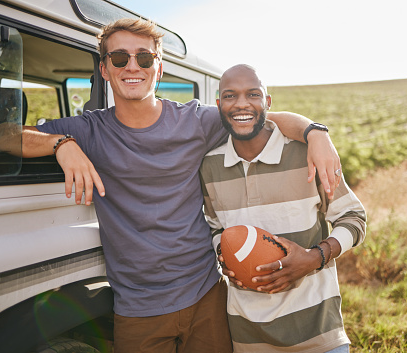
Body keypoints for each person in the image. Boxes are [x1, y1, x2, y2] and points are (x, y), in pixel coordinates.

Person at [19, 18, 342, 353]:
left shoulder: (195, 120)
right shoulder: (90, 130)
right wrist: (62, 144)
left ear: (158, 69)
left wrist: (316, 132)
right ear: (104, 69)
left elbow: (261, 118)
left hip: (206, 296)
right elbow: (4, 135)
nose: (133, 66)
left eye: (144, 58)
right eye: (120, 58)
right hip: (137, 308)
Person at [199, 64, 367, 353]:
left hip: (319, 336)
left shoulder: (307, 154)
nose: (241, 103)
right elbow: (215, 227)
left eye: (253, 94)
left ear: (267, 102)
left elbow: (354, 218)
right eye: (230, 96)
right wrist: (224, 253)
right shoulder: (210, 165)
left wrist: (315, 257)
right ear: (219, 105)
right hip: (247, 338)